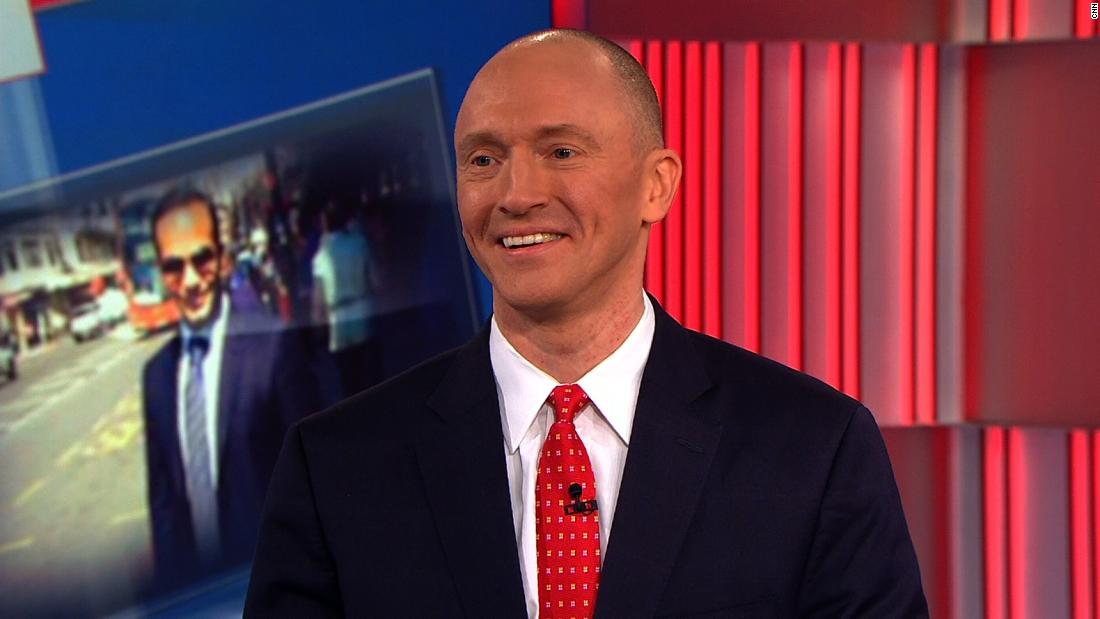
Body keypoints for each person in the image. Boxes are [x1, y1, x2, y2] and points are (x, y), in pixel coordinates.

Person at [245, 30, 927, 617]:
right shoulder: (335, 466)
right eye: (484, 160)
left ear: (657, 185)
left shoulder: (813, 450)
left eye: (561, 152)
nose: (516, 195)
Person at [141, 189, 323, 590]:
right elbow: (163, 507)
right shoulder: (155, 376)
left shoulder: (274, 347)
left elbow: (315, 480)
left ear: (223, 259)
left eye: (202, 259)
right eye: (174, 266)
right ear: (161, 273)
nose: (191, 280)